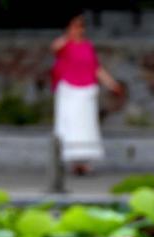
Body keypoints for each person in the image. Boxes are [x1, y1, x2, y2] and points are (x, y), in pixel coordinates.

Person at [51, 12, 123, 176]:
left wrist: (111, 84)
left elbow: (96, 68)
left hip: (86, 90)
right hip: (69, 91)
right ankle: (71, 160)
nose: (79, 29)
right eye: (76, 26)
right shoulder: (64, 45)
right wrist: (68, 36)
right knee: (69, 125)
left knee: (86, 125)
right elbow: (54, 48)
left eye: (81, 26)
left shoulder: (87, 46)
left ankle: (84, 160)